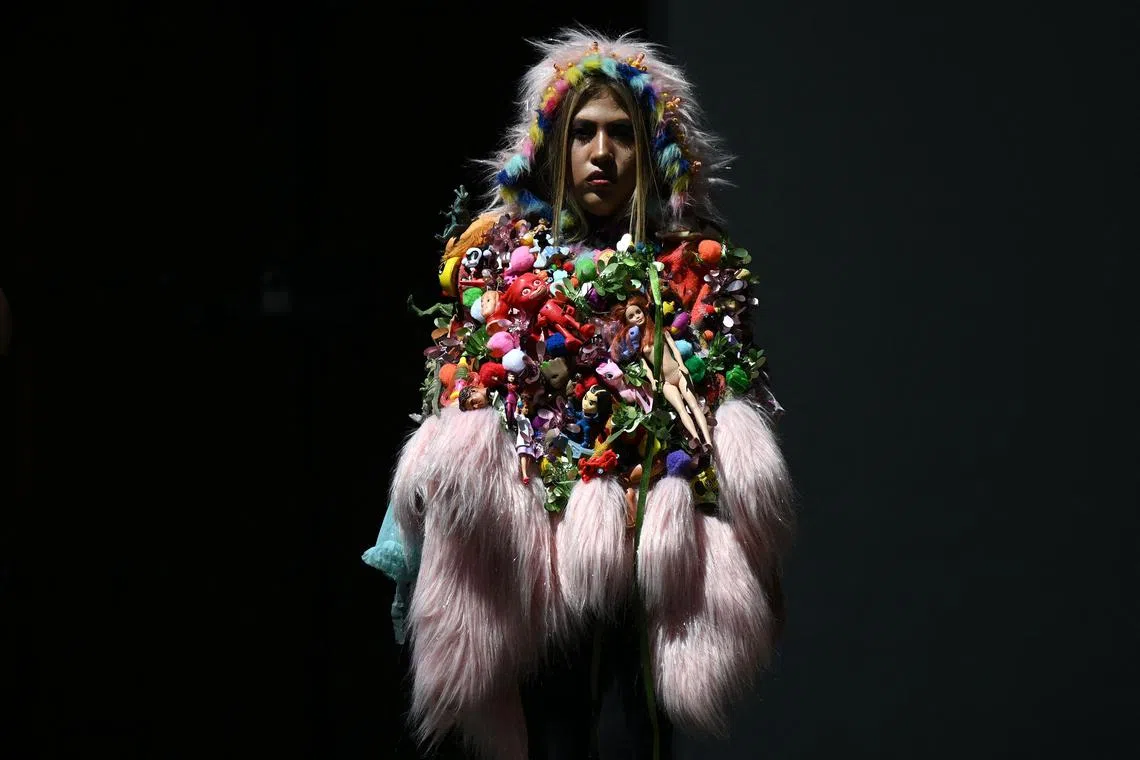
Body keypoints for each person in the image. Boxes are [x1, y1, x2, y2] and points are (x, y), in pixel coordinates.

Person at [364, 27, 794, 760]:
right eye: (584, 132)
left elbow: (728, 406)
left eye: (622, 135)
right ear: (552, 148)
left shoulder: (698, 274)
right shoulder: (498, 266)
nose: (602, 153)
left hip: (649, 564)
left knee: (634, 740)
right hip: (539, 564)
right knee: (554, 737)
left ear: (652, 150)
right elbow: (464, 397)